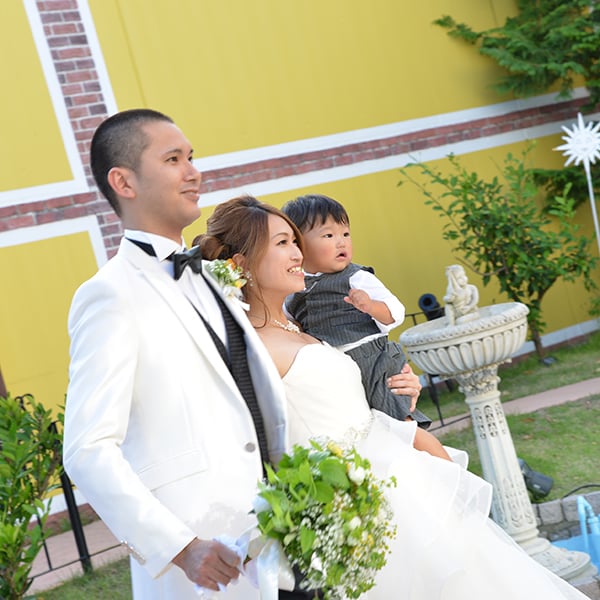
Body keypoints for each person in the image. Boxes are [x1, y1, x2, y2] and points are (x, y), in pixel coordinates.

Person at [62, 109, 420, 600]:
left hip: (281, 544)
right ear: (124, 182)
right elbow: (87, 450)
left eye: (192, 157)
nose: (193, 172)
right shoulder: (110, 295)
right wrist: (181, 548)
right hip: (203, 557)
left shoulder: (214, 283)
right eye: (172, 160)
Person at [195, 194, 589, 600]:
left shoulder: (301, 322)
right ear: (241, 264)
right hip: (353, 506)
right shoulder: (251, 348)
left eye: (296, 241)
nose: (298, 253)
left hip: (399, 480)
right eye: (282, 243)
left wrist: (401, 385)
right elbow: (245, 446)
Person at [281, 193, 449, 460]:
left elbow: (395, 312)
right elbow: (290, 324)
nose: (341, 242)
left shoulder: (356, 278)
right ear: (299, 245)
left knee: (400, 425)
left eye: (345, 234)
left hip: (372, 359)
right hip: (340, 365)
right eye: (328, 235)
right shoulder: (294, 291)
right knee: (369, 429)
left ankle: (440, 464)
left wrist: (371, 306)